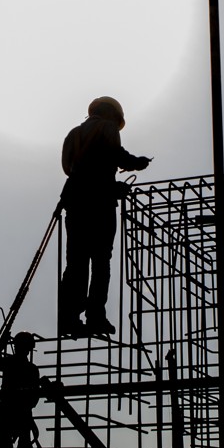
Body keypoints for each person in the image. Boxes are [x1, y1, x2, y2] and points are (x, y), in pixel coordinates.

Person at [58, 96, 151, 337]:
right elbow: (114, 155)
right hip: (98, 204)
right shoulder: (107, 127)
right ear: (111, 114)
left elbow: (74, 168)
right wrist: (137, 163)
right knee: (101, 260)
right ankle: (95, 316)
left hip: (75, 202)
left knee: (76, 261)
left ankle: (68, 317)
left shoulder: (74, 134)